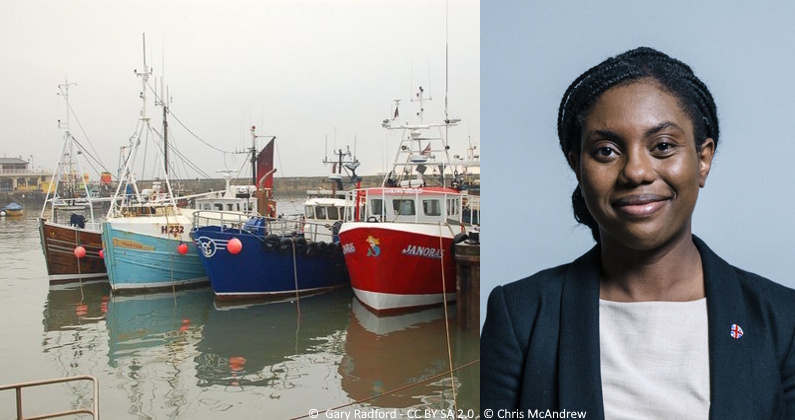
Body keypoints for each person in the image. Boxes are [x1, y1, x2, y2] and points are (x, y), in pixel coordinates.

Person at [480, 47, 795, 419]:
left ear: (704, 159)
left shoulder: (782, 320)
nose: (636, 172)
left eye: (662, 146)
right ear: (576, 166)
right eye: (606, 151)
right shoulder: (520, 316)